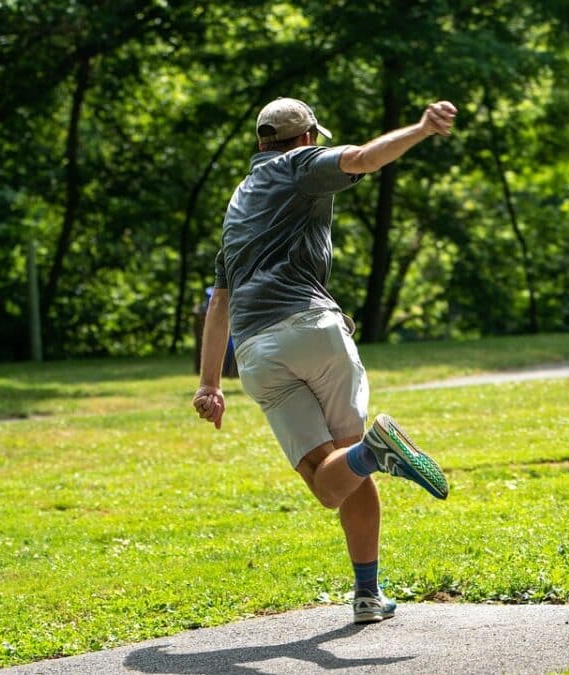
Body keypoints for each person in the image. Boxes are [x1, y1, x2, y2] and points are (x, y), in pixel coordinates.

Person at [192, 96, 456, 624]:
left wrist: (209, 384)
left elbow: (219, 300)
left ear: (260, 142)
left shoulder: (238, 203)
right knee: (349, 464)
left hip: (255, 352)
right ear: (308, 138)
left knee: (328, 482)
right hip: (314, 330)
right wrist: (422, 129)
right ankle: (373, 454)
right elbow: (360, 159)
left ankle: (366, 596)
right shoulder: (299, 165)